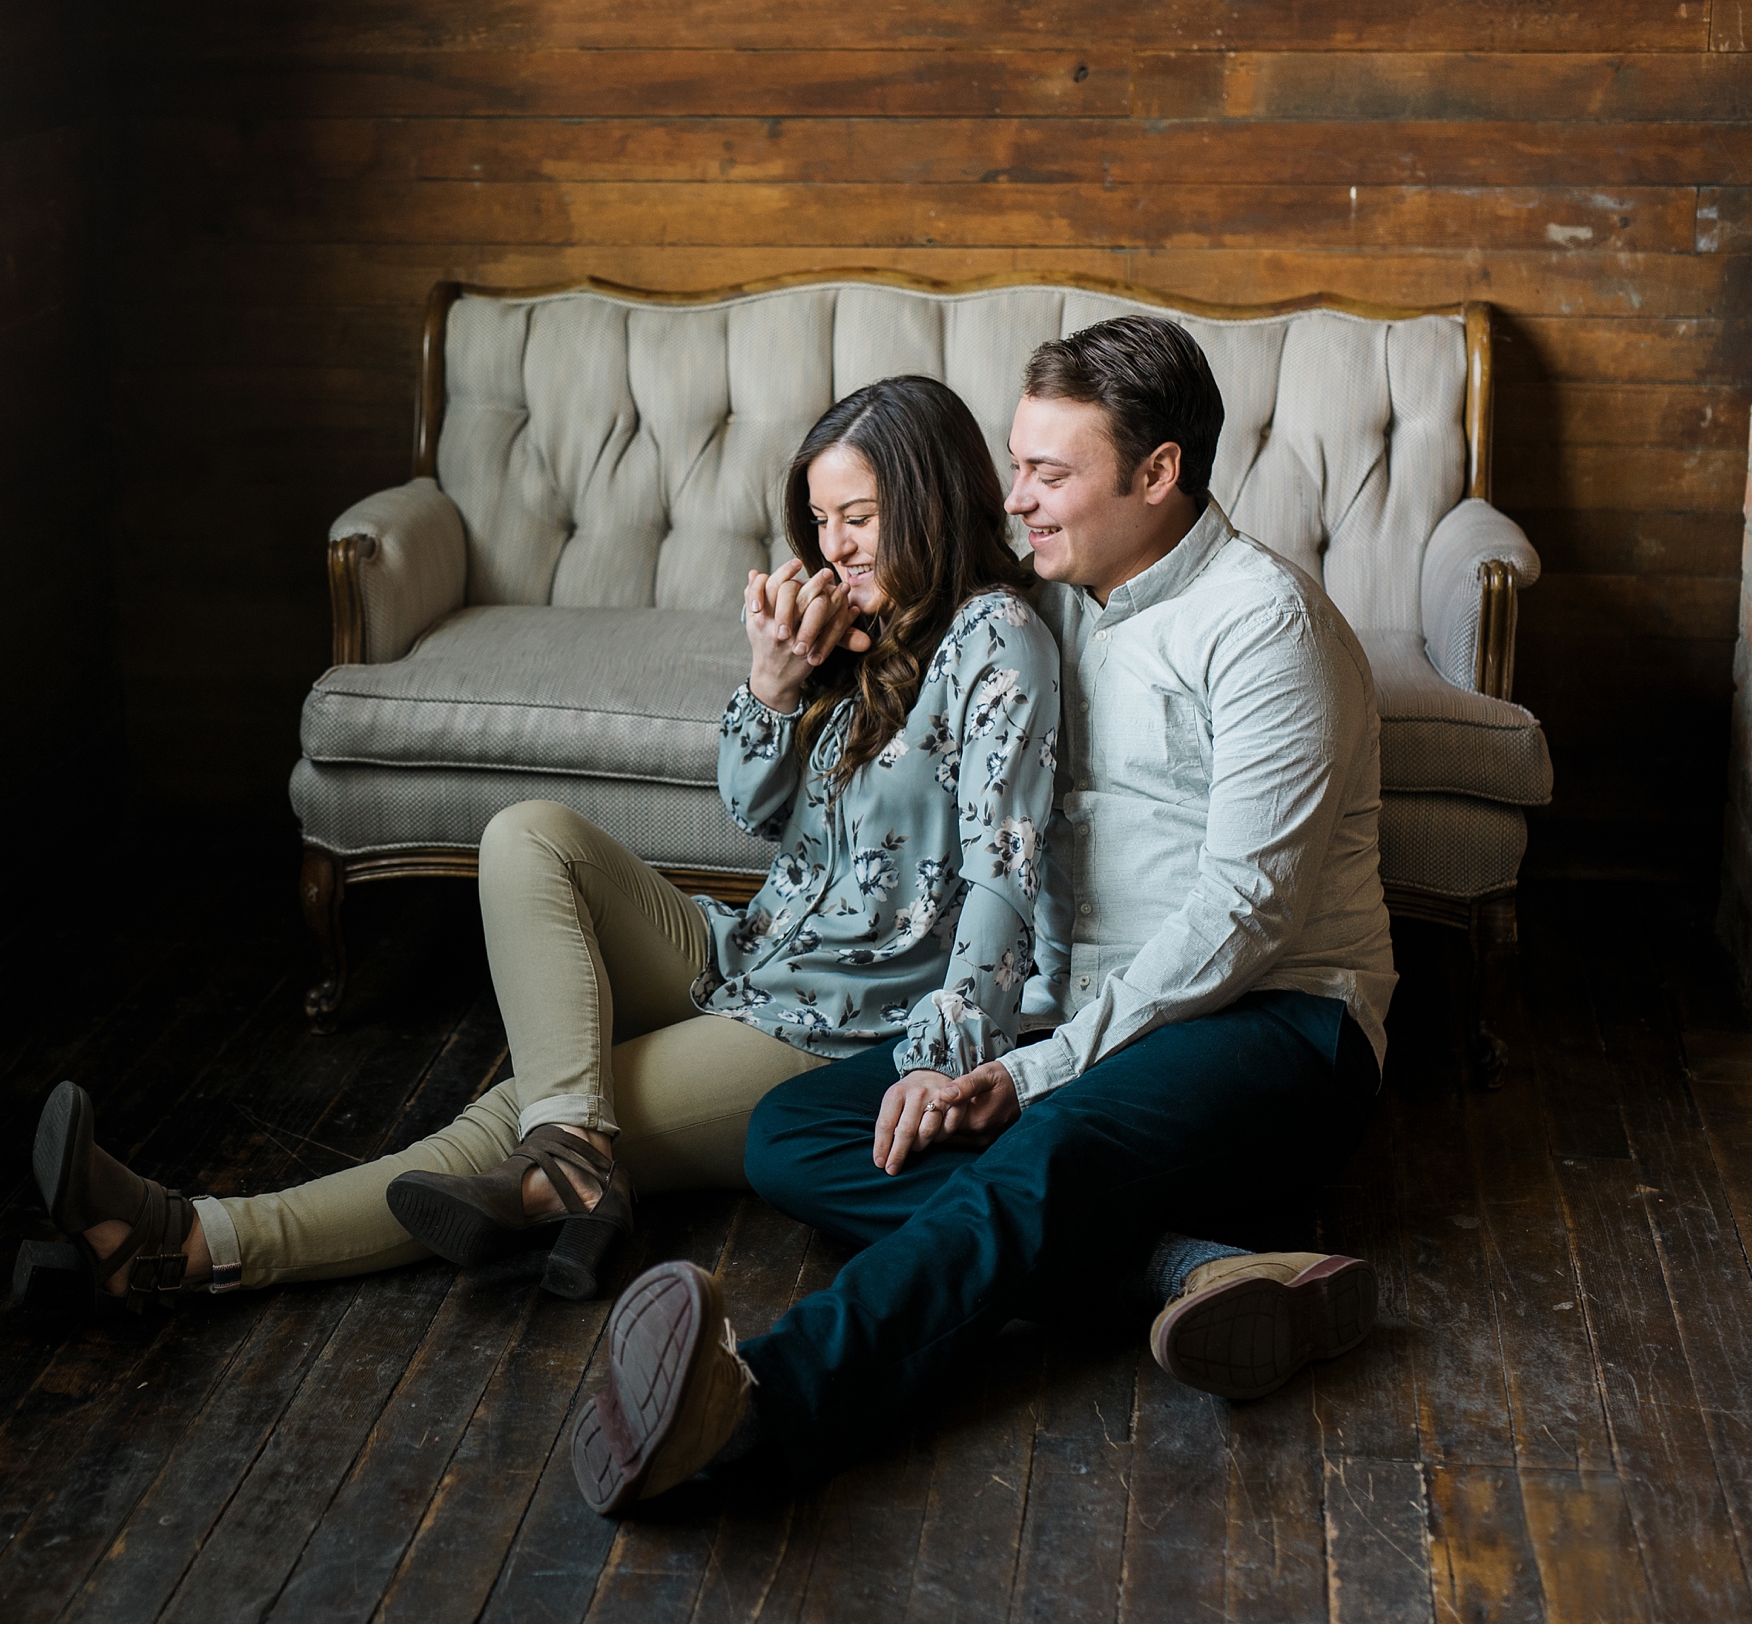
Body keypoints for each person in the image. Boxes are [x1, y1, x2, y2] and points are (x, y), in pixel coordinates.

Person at [567, 316, 1394, 1516]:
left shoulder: (1264, 627)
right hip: (1079, 1016)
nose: (1016, 501)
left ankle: (754, 1409)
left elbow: (1246, 913)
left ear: (1158, 474)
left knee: (1044, 1149)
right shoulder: (1043, 608)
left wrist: (1037, 1067)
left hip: (1272, 1026)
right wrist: (800, 664)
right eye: (1016, 466)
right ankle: (1176, 1273)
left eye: (1050, 475)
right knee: (793, 1133)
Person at [20, 374, 1077, 1311]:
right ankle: (572, 1149)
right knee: (528, 836)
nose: (833, 547)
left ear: (932, 505)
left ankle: (188, 1242)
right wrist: (772, 684)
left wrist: (946, 1061)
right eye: (820, 520)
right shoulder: (868, 628)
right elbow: (756, 814)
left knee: (509, 1115)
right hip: (747, 951)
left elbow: (1005, 873)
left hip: (836, 1022)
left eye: (859, 517)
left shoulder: (998, 640)